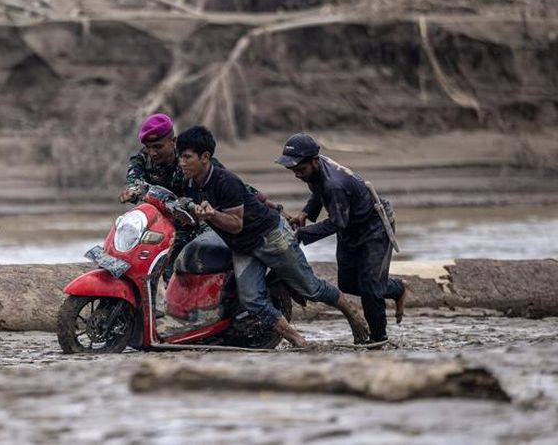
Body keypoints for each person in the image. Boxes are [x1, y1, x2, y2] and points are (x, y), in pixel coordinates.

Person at [176, 125, 370, 347]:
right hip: (243, 247)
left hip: (271, 237)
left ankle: (351, 311)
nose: (182, 162)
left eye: (187, 157)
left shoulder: (224, 181)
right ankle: (298, 340)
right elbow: (194, 217)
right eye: (180, 156)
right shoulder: (188, 183)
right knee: (251, 300)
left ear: (205, 157)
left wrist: (211, 215)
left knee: (311, 288)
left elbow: (236, 224)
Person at [277, 132, 408, 344]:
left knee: (370, 288)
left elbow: (337, 223)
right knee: (347, 284)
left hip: (373, 228)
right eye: (293, 171)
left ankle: (377, 340)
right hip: (350, 226)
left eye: (300, 170)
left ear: (314, 161)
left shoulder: (335, 184)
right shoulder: (316, 172)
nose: (297, 175)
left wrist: (302, 233)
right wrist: (305, 213)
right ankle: (397, 288)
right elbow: (319, 193)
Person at [118, 113, 206, 280]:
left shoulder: (189, 159)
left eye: (158, 147)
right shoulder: (141, 158)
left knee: (180, 274)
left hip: (195, 225)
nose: (152, 152)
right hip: (158, 227)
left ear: (173, 142)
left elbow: (223, 179)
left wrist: (258, 199)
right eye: (148, 147)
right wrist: (130, 191)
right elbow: (134, 181)